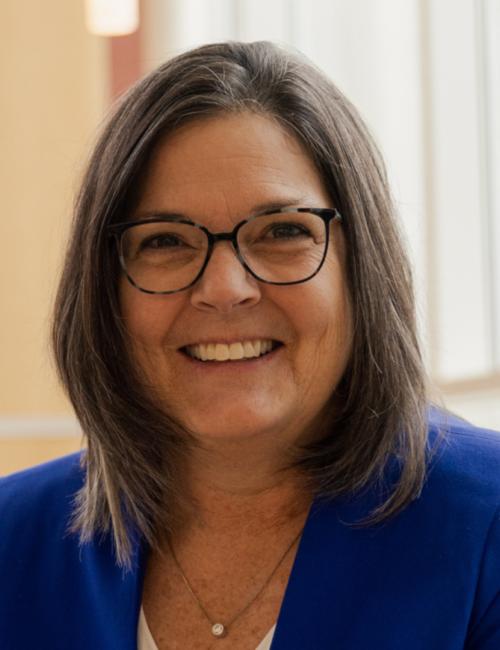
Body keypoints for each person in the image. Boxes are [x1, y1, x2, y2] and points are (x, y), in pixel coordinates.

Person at [1, 41, 500, 650]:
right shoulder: (9, 539)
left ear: (360, 268)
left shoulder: (487, 524)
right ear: (105, 288)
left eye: (284, 231)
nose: (225, 289)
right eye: (165, 241)